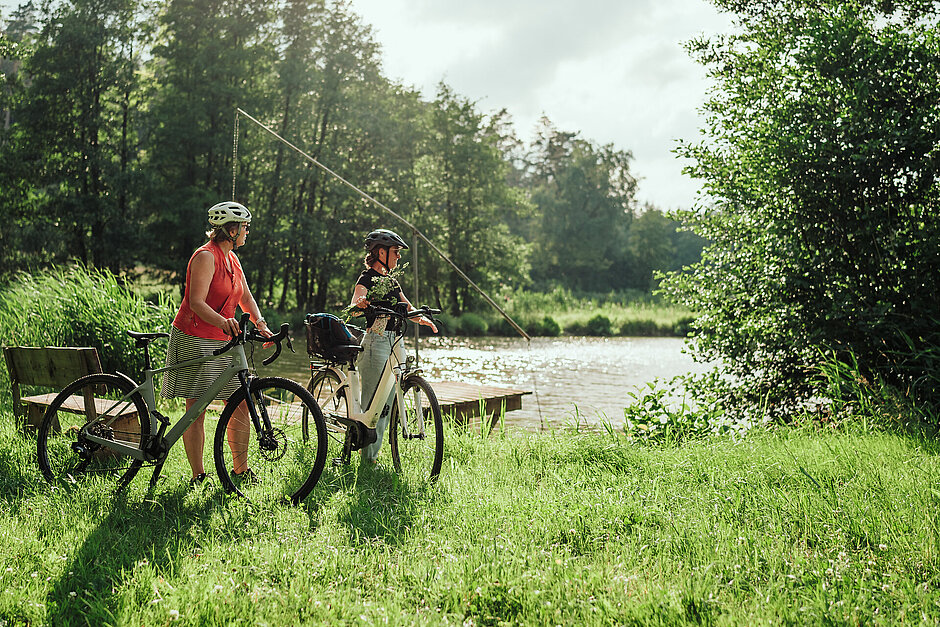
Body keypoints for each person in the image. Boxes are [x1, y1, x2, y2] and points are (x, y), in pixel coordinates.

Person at [161, 201, 272, 486]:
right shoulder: (205, 257)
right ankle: (198, 474)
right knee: (196, 407)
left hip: (223, 339)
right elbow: (196, 302)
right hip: (195, 337)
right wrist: (223, 320)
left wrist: (260, 323)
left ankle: (241, 470)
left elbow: (246, 298)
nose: (248, 232)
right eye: (245, 227)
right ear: (231, 229)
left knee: (239, 404)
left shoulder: (233, 259)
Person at [350, 228, 437, 464]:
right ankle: (368, 459)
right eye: (395, 252)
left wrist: (422, 318)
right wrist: (361, 303)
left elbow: (407, 307)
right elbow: (355, 304)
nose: (399, 257)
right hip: (376, 341)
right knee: (373, 402)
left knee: (388, 403)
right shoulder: (366, 279)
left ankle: (373, 456)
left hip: (396, 340)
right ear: (381, 252)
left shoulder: (392, 281)